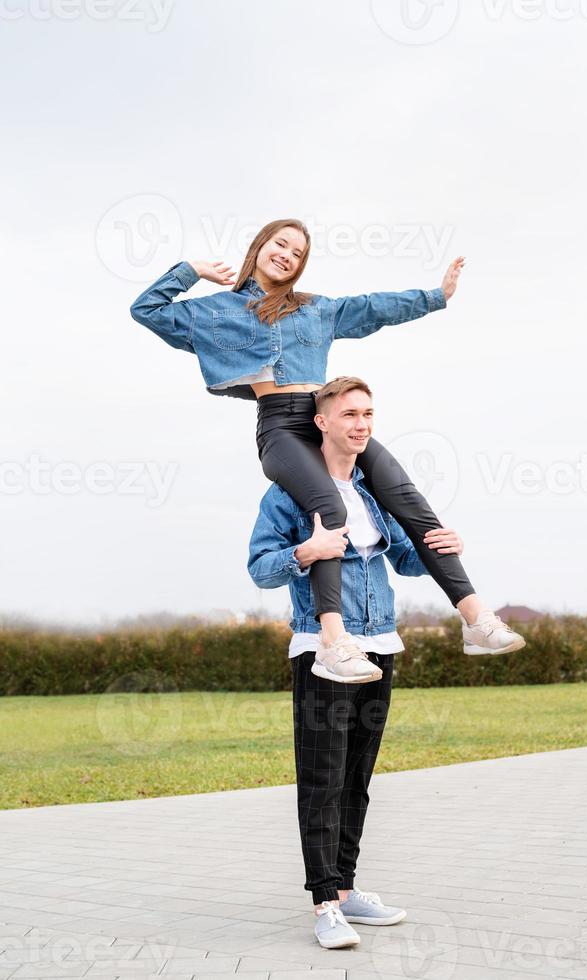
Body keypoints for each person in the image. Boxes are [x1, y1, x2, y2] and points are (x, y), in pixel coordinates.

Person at [131, 219, 525, 681]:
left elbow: (372, 308)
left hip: (326, 419)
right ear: (260, 246)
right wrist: (192, 270)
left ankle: (476, 617)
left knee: (408, 498)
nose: (287, 255)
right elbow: (148, 309)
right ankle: (334, 641)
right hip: (281, 429)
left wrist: (435, 297)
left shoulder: (314, 308)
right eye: (281, 244)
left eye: (298, 253)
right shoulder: (219, 310)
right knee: (328, 506)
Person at [247, 376, 524, 949]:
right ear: (321, 422)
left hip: (380, 644)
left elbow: (403, 559)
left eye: (368, 414)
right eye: (349, 413)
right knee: (322, 779)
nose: (362, 424)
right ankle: (324, 904)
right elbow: (260, 567)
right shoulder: (289, 494)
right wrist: (306, 552)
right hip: (322, 650)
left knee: (356, 778)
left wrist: (443, 545)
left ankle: (346, 889)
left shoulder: (372, 493)